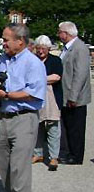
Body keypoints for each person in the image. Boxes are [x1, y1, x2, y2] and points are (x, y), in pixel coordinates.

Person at [0, 24, 46, 192]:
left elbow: (34, 92)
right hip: (3, 116)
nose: (3, 43)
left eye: (6, 39)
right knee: (2, 157)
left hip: (24, 117)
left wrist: (8, 95)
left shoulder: (33, 63)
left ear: (19, 41)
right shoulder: (3, 59)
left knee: (20, 164)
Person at [57, 21, 91, 165]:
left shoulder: (80, 48)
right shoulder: (67, 48)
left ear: (66, 33)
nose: (58, 34)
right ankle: (68, 152)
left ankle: (76, 156)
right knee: (68, 126)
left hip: (75, 97)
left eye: (59, 32)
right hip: (66, 95)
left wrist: (73, 96)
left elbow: (80, 74)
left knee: (76, 128)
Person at [32, 35, 63, 171]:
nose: (40, 51)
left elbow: (56, 77)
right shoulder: (33, 60)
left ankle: (54, 156)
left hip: (52, 97)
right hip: (35, 97)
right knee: (36, 126)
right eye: (38, 48)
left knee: (53, 127)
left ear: (48, 49)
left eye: (43, 48)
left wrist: (38, 79)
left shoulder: (55, 60)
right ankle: (38, 153)